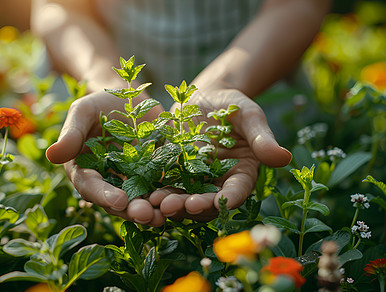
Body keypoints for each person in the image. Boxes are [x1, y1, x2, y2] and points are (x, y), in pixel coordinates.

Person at [32, 0, 332, 227]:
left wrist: (225, 83)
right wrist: (109, 83)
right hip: (96, 71)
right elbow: (57, 6)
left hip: (257, 79)